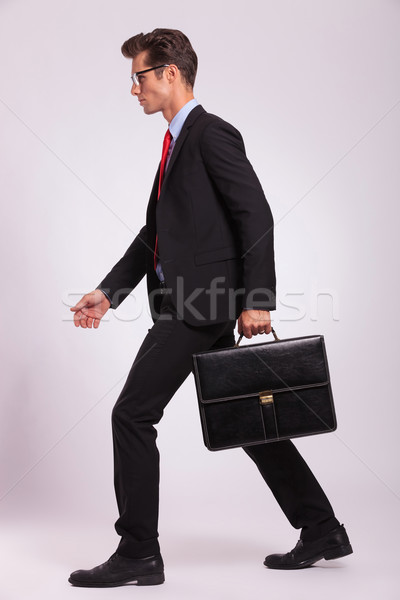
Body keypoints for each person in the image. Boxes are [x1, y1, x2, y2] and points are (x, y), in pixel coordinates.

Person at [68, 28, 352, 587]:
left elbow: (256, 215)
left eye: (139, 77)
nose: (134, 89)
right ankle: (321, 528)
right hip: (194, 303)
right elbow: (155, 236)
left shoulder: (211, 134)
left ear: (170, 73)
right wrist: (109, 292)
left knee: (131, 413)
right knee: (245, 416)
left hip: (202, 307)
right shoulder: (175, 143)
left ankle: (139, 553)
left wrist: (258, 302)